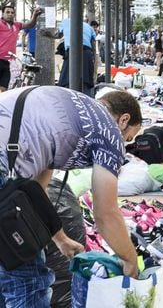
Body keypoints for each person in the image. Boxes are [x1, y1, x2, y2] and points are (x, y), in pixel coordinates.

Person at [0, 86, 142, 307]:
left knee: (7, 267)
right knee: (28, 282)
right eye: (129, 138)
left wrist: (60, 239)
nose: (124, 144)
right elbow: (105, 213)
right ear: (124, 120)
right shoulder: (108, 131)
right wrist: (129, 259)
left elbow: (35, 192)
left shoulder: (74, 111)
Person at [40, 18, 96, 97]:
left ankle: (68, 99)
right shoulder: (89, 27)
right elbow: (93, 47)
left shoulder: (66, 22)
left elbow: (57, 35)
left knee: (65, 81)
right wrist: (92, 64)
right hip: (87, 54)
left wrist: (47, 34)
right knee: (87, 82)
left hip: (72, 52)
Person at [0, 5, 42, 92]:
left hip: (9, 62)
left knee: (5, 88)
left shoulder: (17, 25)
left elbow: (30, 24)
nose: (10, 14)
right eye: (7, 12)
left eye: (12, 12)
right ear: (2, 14)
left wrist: (35, 15)